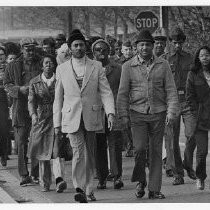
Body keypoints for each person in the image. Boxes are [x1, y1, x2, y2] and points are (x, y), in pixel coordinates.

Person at [53, 29, 115, 203]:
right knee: (78, 152)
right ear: (70, 48)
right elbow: (58, 99)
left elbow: (106, 92)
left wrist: (110, 113)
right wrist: (56, 123)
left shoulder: (96, 66)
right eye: (75, 45)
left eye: (81, 45)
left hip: (92, 115)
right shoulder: (62, 69)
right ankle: (79, 187)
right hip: (71, 116)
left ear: (85, 46)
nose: (79, 48)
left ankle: (89, 189)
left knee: (90, 153)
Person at [117, 30, 179, 199]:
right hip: (137, 114)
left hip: (158, 113)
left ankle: (154, 188)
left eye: (148, 45)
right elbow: (122, 93)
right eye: (141, 44)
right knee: (139, 149)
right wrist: (122, 115)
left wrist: (172, 112)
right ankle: (141, 180)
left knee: (156, 152)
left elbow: (171, 91)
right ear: (136, 47)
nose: (145, 47)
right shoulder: (128, 66)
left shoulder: (163, 65)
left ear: (153, 47)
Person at [4, 38, 41, 186]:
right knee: (21, 142)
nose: (30, 52)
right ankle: (24, 174)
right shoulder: (12, 66)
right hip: (20, 107)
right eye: (27, 49)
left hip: (38, 107)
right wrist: (19, 89)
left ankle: (36, 173)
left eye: (33, 49)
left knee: (37, 142)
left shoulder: (41, 63)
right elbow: (6, 84)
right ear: (22, 49)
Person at [28, 54, 67, 192]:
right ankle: (45, 182)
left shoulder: (60, 79)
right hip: (41, 119)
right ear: (41, 66)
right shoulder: (34, 82)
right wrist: (33, 115)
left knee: (57, 150)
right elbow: (31, 101)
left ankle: (59, 180)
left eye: (51, 62)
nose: (49, 65)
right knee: (43, 152)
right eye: (46, 63)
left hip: (57, 116)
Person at [92, 38, 124, 190]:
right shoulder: (89, 69)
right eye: (98, 49)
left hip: (114, 111)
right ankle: (102, 178)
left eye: (104, 49)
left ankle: (117, 176)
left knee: (115, 145)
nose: (101, 52)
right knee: (99, 146)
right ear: (93, 52)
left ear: (109, 51)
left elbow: (123, 91)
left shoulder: (118, 69)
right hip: (96, 112)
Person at [168, 27, 197, 185]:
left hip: (188, 101)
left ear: (183, 42)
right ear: (171, 43)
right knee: (172, 141)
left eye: (180, 42)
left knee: (192, 134)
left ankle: (187, 162)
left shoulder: (190, 59)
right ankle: (178, 174)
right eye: (174, 43)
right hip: (172, 101)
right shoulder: (165, 59)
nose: (177, 45)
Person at [186, 46, 210, 190]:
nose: (205, 57)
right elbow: (190, 97)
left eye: (207, 55)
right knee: (202, 151)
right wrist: (196, 113)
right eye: (202, 55)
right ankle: (200, 177)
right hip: (200, 117)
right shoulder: (193, 73)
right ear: (198, 58)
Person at [152, 27, 174, 177]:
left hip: (166, 104)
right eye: (157, 43)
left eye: (162, 43)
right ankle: (155, 161)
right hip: (149, 106)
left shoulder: (169, 61)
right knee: (153, 139)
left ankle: (169, 165)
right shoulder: (146, 60)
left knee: (169, 136)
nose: (159, 45)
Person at [0, 46, 9, 166]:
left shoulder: (9, 68)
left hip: (3, 99)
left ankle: (3, 154)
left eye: (1, 55)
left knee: (3, 128)